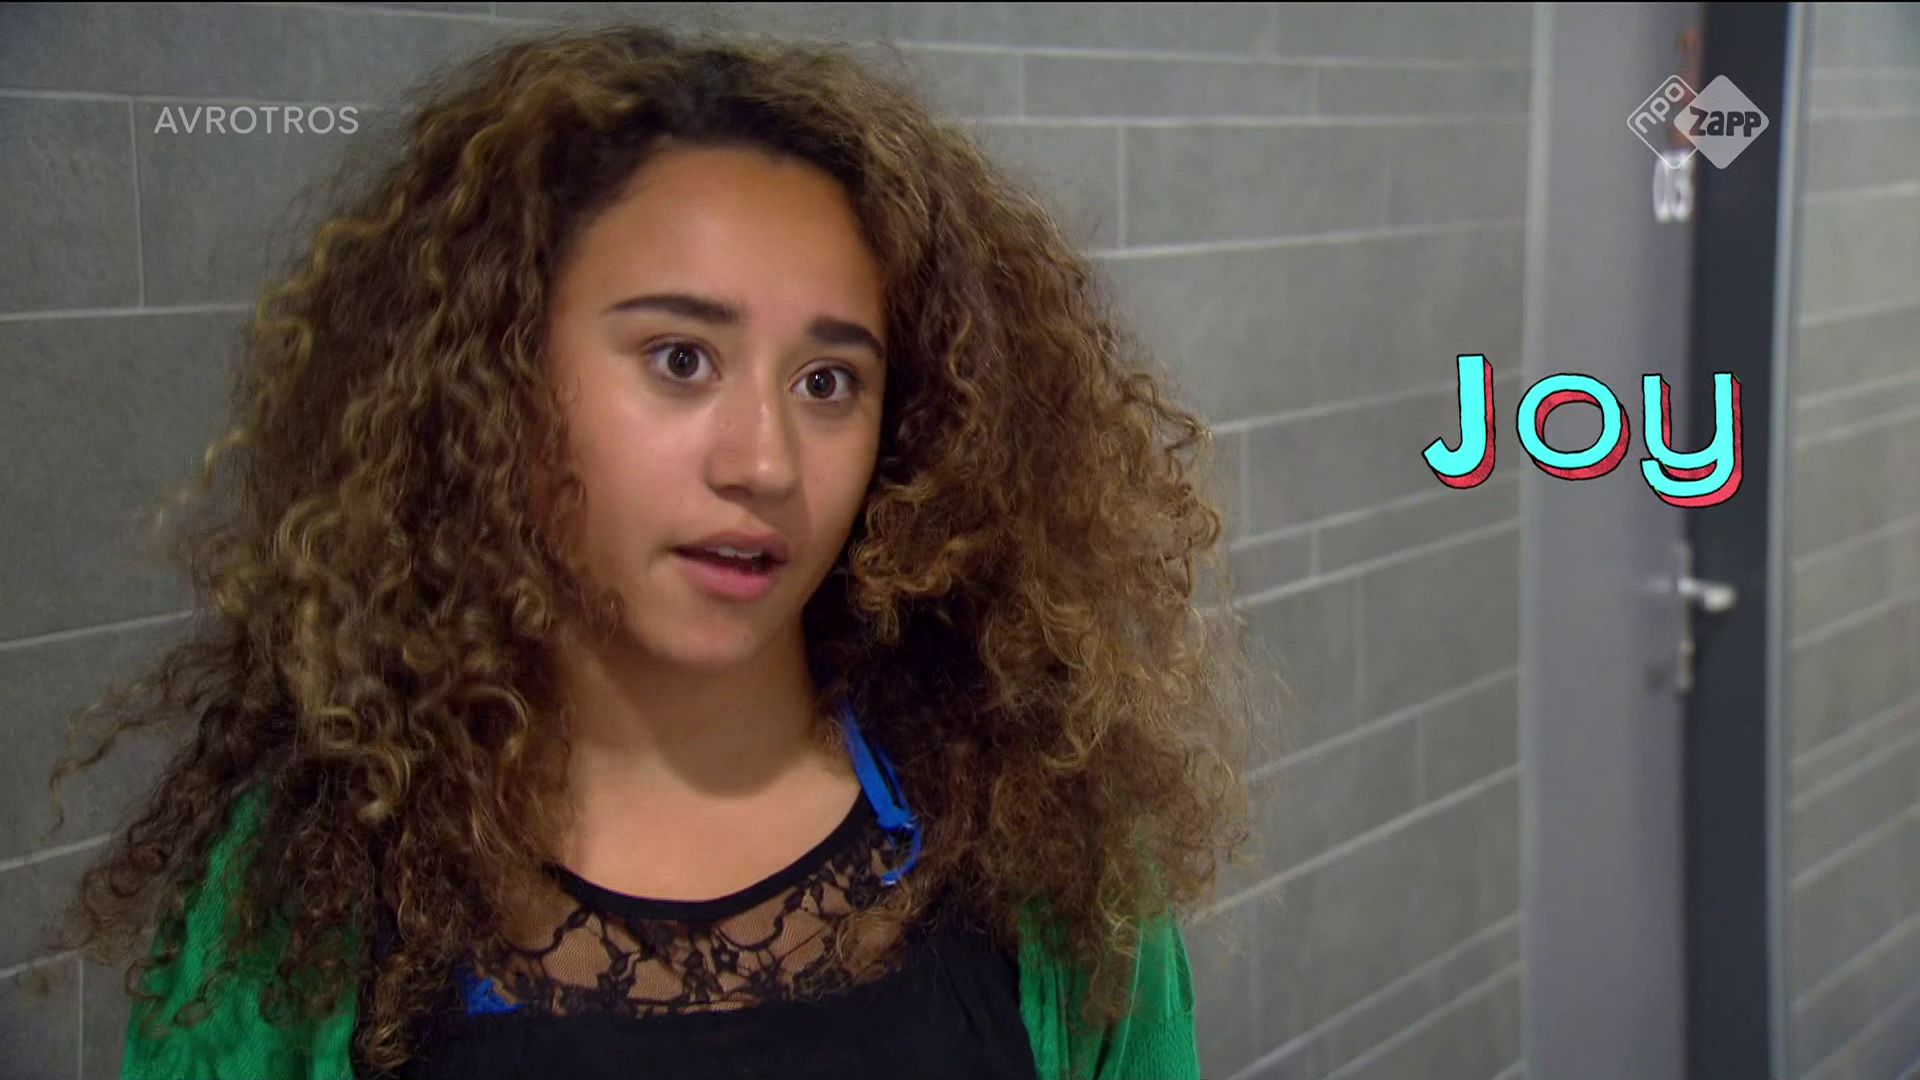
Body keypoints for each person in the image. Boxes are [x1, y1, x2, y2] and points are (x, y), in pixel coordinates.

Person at [47, 22, 1266, 1080]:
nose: (765, 462)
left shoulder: (1043, 851)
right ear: (494, 385)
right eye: (682, 360)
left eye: (829, 381)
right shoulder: (299, 893)